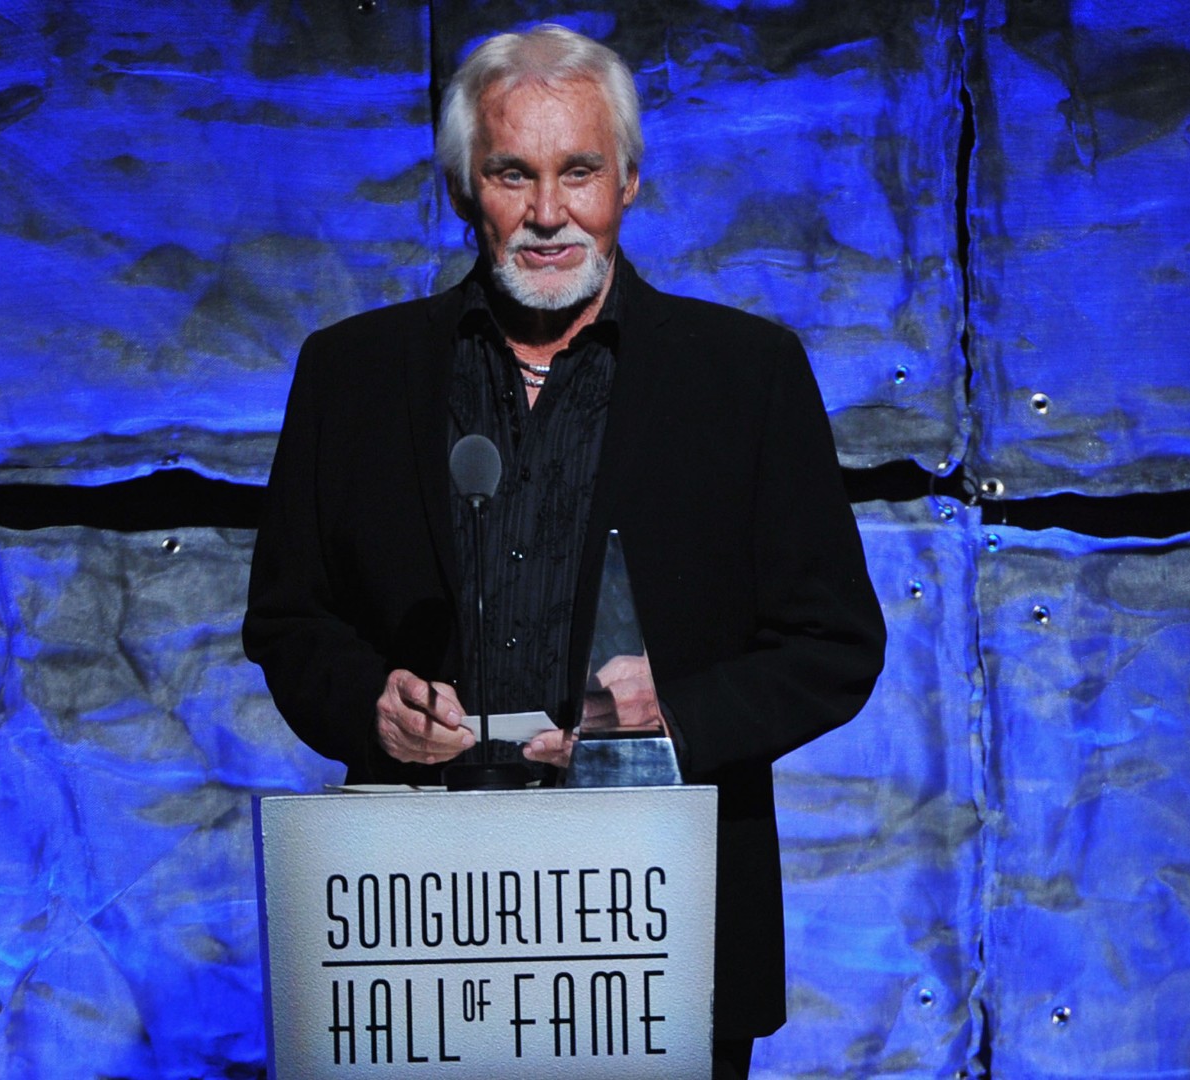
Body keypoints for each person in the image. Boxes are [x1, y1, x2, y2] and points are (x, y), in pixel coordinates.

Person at [243, 24, 886, 1078]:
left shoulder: (747, 376)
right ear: (464, 187)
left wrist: (669, 715)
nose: (548, 213)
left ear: (629, 180)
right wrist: (371, 702)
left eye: (578, 170)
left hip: (656, 930)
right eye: (513, 173)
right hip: (419, 935)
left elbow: (834, 643)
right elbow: (287, 618)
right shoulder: (351, 375)